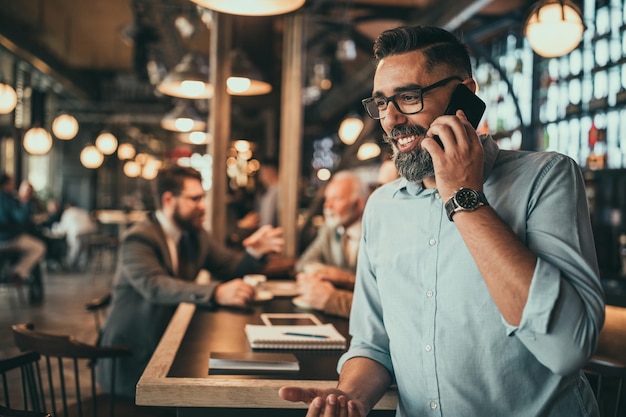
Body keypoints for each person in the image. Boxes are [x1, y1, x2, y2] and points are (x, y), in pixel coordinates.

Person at [279, 25, 604, 417]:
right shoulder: (382, 207)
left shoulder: (546, 177)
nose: (392, 118)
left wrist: (462, 196)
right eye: (382, 103)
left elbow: (567, 348)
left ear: (465, 93)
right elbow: (373, 344)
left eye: (408, 97)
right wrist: (351, 395)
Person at [98, 165, 284, 398]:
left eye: (203, 197)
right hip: (132, 357)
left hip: (172, 345)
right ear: (169, 200)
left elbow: (231, 268)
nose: (203, 206)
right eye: (195, 199)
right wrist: (216, 293)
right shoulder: (138, 238)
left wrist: (255, 253)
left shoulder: (194, 236)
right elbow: (154, 285)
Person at [294, 171, 369, 318]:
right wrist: (321, 272)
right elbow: (303, 263)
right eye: (327, 199)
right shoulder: (328, 230)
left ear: (359, 204)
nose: (327, 206)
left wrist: (346, 278)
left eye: (336, 199)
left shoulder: (377, 234)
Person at [0, 173, 46, 283]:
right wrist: (25, 203)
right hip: (8, 239)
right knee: (39, 247)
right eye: (12, 184)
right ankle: (17, 273)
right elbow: (22, 218)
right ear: (6, 184)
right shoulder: (8, 199)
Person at [238, 157, 280, 229]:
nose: (261, 177)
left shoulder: (276, 192)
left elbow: (267, 222)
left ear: (269, 171)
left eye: (262, 172)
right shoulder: (272, 191)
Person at [56, 201, 98, 270]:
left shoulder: (68, 212)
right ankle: (82, 267)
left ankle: (69, 266)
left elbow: (63, 227)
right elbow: (92, 225)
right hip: (87, 232)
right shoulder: (83, 211)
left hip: (77, 233)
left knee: (74, 250)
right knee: (84, 250)